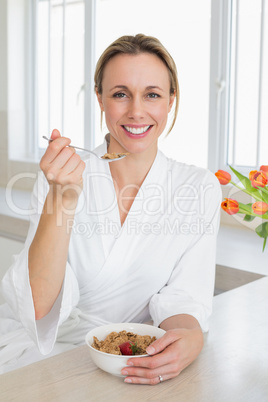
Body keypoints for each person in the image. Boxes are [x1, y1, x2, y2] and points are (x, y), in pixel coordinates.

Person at [0, 34, 221, 383]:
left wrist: (189, 340)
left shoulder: (198, 187)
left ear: (170, 101)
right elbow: (39, 306)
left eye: (152, 94)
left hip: (126, 359)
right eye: (120, 94)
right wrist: (63, 197)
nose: (136, 110)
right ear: (100, 99)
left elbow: (184, 298)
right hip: (43, 350)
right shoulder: (61, 177)